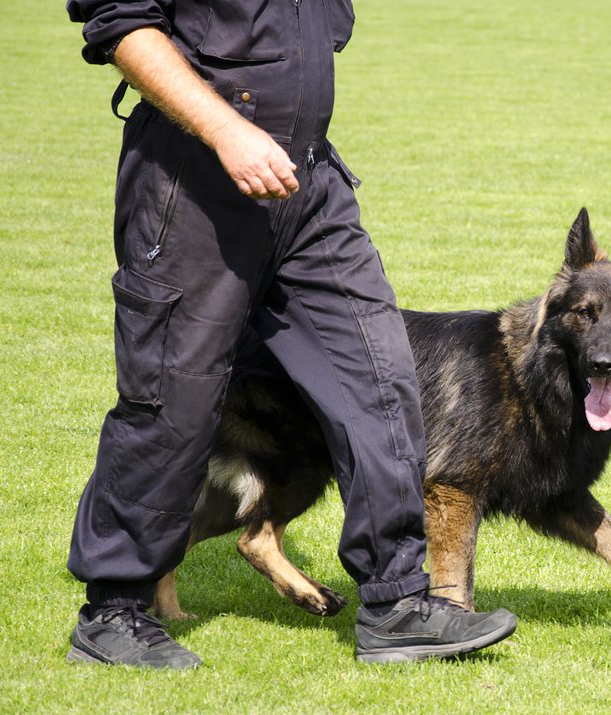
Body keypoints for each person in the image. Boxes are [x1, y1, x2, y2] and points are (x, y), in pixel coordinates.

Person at [63, 0, 516, 668]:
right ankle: (114, 610)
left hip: (308, 181)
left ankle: (396, 602)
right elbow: (121, 22)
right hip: (197, 178)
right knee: (173, 397)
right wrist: (225, 129)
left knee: (380, 374)